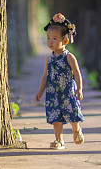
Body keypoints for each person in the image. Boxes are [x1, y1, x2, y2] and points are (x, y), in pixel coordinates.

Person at [35, 13, 85, 149]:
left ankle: (76, 131)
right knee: (55, 117)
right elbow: (45, 76)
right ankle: (59, 140)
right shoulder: (48, 59)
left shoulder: (69, 57)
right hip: (53, 94)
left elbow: (77, 73)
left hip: (68, 92)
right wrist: (40, 91)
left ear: (65, 41)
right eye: (48, 38)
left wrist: (79, 89)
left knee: (72, 113)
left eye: (54, 38)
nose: (50, 41)